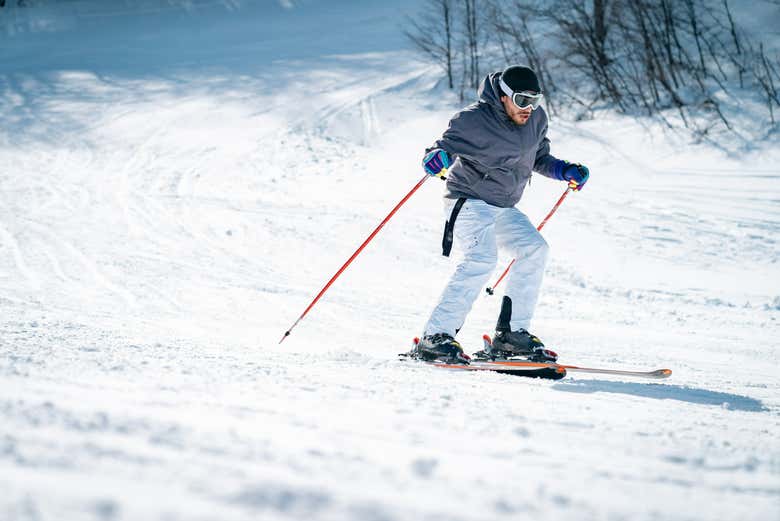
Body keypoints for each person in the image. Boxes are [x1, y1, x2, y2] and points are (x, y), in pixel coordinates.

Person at [415, 65, 589, 364]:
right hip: (468, 200)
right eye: (522, 100)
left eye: (535, 100)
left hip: (502, 206)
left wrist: (564, 170)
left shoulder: (536, 120)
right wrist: (435, 158)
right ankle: (435, 336)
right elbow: (443, 149)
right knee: (482, 259)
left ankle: (511, 336)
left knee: (534, 249)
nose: (528, 108)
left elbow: (540, 158)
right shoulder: (473, 120)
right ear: (504, 96)